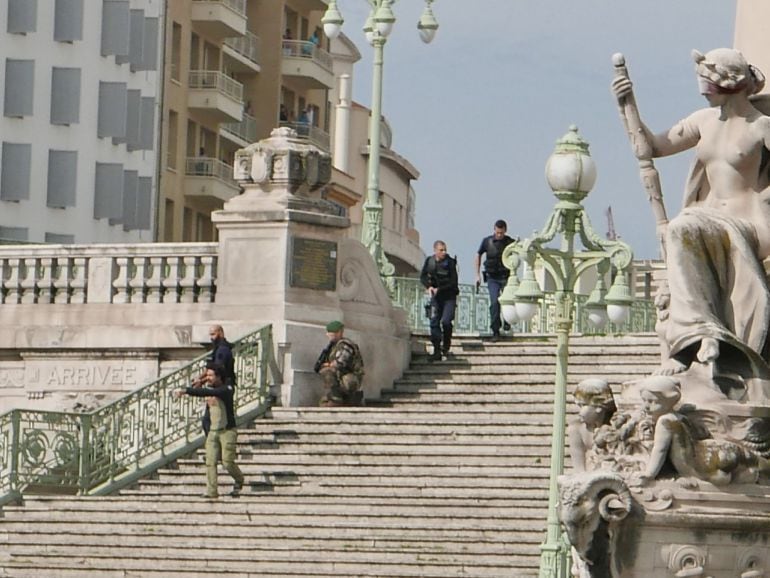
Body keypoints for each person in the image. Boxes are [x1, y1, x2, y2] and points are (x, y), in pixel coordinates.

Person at [612, 48, 770, 379]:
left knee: (683, 225)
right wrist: (628, 105)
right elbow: (651, 147)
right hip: (707, 219)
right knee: (682, 227)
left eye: (707, 83)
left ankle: (705, 332)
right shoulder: (704, 121)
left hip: (751, 223)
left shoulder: (762, 127)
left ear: (732, 82)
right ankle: (701, 332)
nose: (703, 90)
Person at [175, 365, 245, 498]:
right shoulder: (210, 390)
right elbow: (207, 413)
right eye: (207, 376)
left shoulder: (227, 389)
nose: (208, 378)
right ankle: (212, 491)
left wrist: (186, 391)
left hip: (227, 431)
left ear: (219, 377)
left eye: (211, 376)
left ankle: (239, 479)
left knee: (227, 462)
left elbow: (209, 392)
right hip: (213, 431)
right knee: (210, 462)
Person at [474, 219, 516, 341]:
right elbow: (478, 255)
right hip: (492, 277)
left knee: (508, 301)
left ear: (505, 231)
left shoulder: (510, 242)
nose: (499, 235)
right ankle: (495, 330)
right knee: (494, 302)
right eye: (497, 232)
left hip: (506, 276)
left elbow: (518, 254)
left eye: (501, 233)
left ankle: (508, 321)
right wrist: (477, 275)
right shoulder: (487, 241)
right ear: (494, 230)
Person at [420, 240, 459, 361]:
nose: (444, 252)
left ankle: (446, 346)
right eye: (441, 250)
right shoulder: (429, 261)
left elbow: (453, 282)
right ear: (435, 250)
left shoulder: (450, 262)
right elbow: (423, 276)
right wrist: (429, 287)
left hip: (449, 297)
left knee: (446, 322)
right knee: (434, 322)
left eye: (445, 249)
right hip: (436, 298)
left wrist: (440, 289)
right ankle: (436, 350)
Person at [314, 321, 365, 407]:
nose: (328, 335)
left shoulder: (345, 345)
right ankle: (340, 398)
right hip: (342, 378)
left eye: (330, 333)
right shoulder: (334, 346)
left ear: (339, 333)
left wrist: (327, 365)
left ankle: (336, 399)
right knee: (323, 403)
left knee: (327, 371)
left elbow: (340, 363)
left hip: (351, 379)